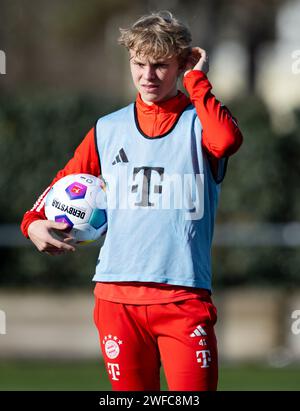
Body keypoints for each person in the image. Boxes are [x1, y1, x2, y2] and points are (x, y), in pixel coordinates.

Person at [20, 11, 243, 391]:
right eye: (139, 64)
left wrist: (198, 80)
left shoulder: (200, 124)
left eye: (160, 65)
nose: (147, 76)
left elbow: (226, 141)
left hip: (183, 298)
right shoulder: (108, 128)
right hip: (116, 299)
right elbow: (61, 185)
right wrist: (33, 222)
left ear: (181, 64)